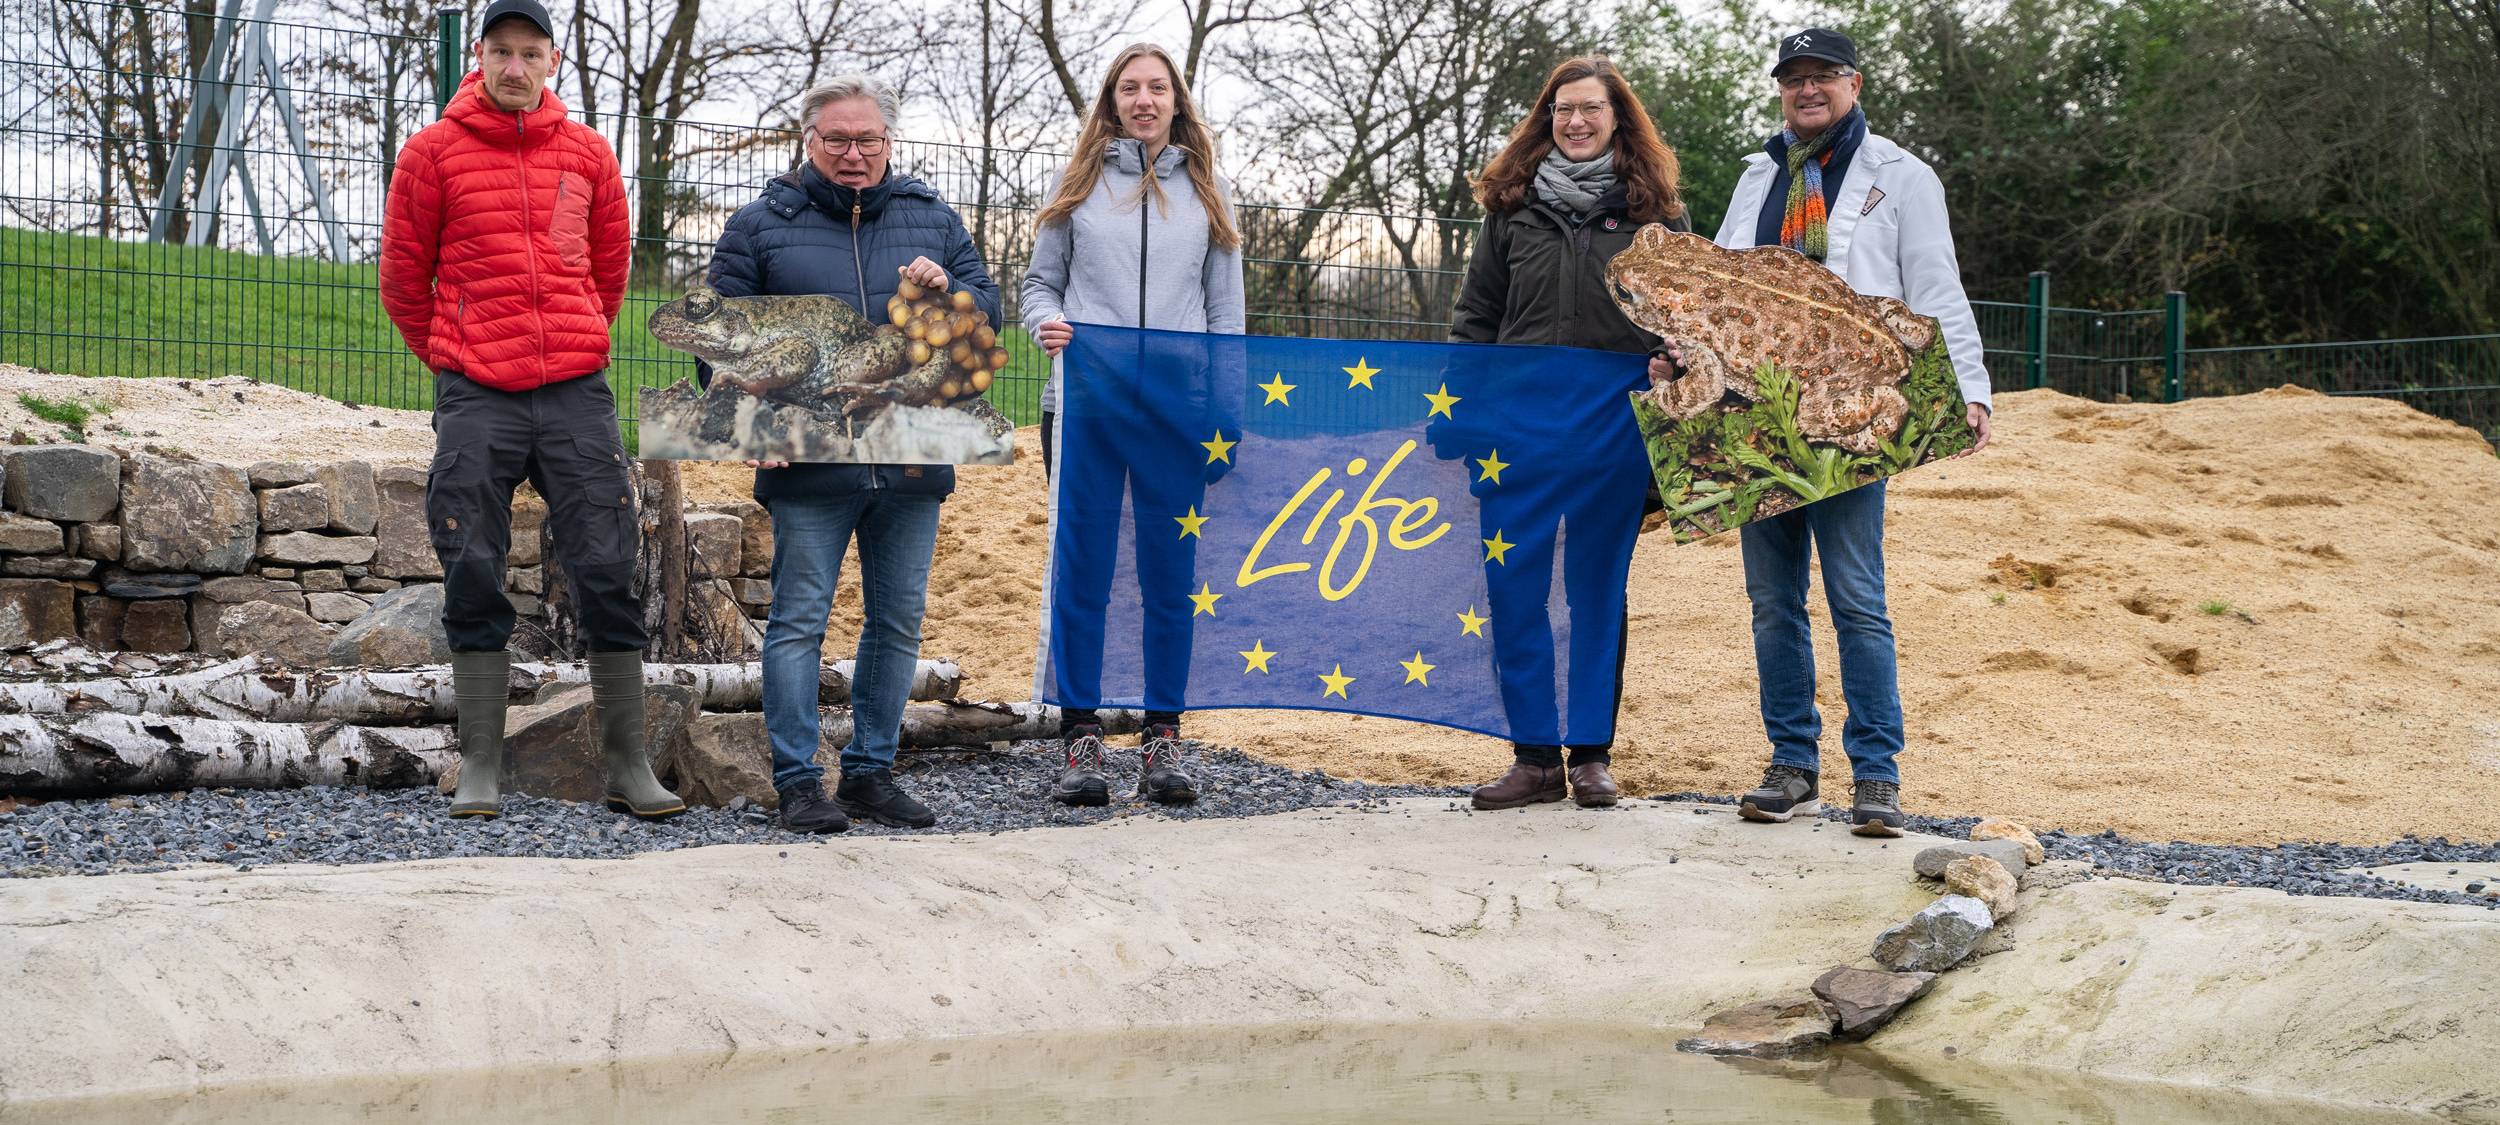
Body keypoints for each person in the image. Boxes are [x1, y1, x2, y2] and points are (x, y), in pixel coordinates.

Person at [379, 0, 682, 822]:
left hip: (576, 390)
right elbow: (403, 280)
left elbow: (610, 270)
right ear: (479, 56)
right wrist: (457, 354)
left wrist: (575, 339)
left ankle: (627, 763)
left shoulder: (588, 154)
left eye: (531, 53)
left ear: (553, 60)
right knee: (471, 559)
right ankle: (481, 760)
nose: (515, 68)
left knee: (608, 560)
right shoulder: (432, 154)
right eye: (502, 52)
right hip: (476, 389)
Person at [1710, 28, 1994, 836]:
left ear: (1854, 84)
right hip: (1758, 414)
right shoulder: (1759, 176)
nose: (1807, 90)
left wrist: (1969, 386)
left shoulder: (1901, 176)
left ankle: (1876, 774)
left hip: (1850, 411)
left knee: (1857, 598)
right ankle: (1792, 765)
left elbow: (1935, 285)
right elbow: (1722, 288)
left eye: (1822, 76)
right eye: (1793, 78)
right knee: (1773, 603)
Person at [706, 75, 1001, 834]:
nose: (853, 152)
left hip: (910, 461)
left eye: (867, 138)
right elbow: (717, 342)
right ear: (808, 141)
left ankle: (870, 773)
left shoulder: (932, 219)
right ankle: (798, 781)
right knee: (798, 622)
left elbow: (988, 314)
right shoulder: (758, 226)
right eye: (836, 138)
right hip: (809, 466)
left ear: (888, 142)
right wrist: (753, 424)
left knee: (897, 623)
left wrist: (951, 293)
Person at [1448, 55, 1687, 812]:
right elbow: (1477, 316)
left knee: (1595, 592)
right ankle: (1533, 759)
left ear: (1619, 120)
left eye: (1591, 109)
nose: (1576, 121)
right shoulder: (1510, 209)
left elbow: (1687, 327)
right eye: (1563, 110)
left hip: (1610, 434)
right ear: (1545, 120)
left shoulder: (1658, 217)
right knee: (1514, 588)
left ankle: (1588, 755)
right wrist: (1458, 408)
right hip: (1516, 431)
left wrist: (1676, 369)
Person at [1023, 42, 1246, 807]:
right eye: (1130, 88)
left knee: (1169, 579)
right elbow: (1038, 285)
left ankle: (1162, 738)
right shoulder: (1077, 182)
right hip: (1084, 409)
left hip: (1177, 417)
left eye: (1157, 87)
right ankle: (1080, 738)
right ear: (1112, 101)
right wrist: (1046, 322)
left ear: (1176, 100)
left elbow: (1225, 314)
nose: (1144, 99)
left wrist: (1227, 413)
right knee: (1083, 570)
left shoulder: (1209, 190)